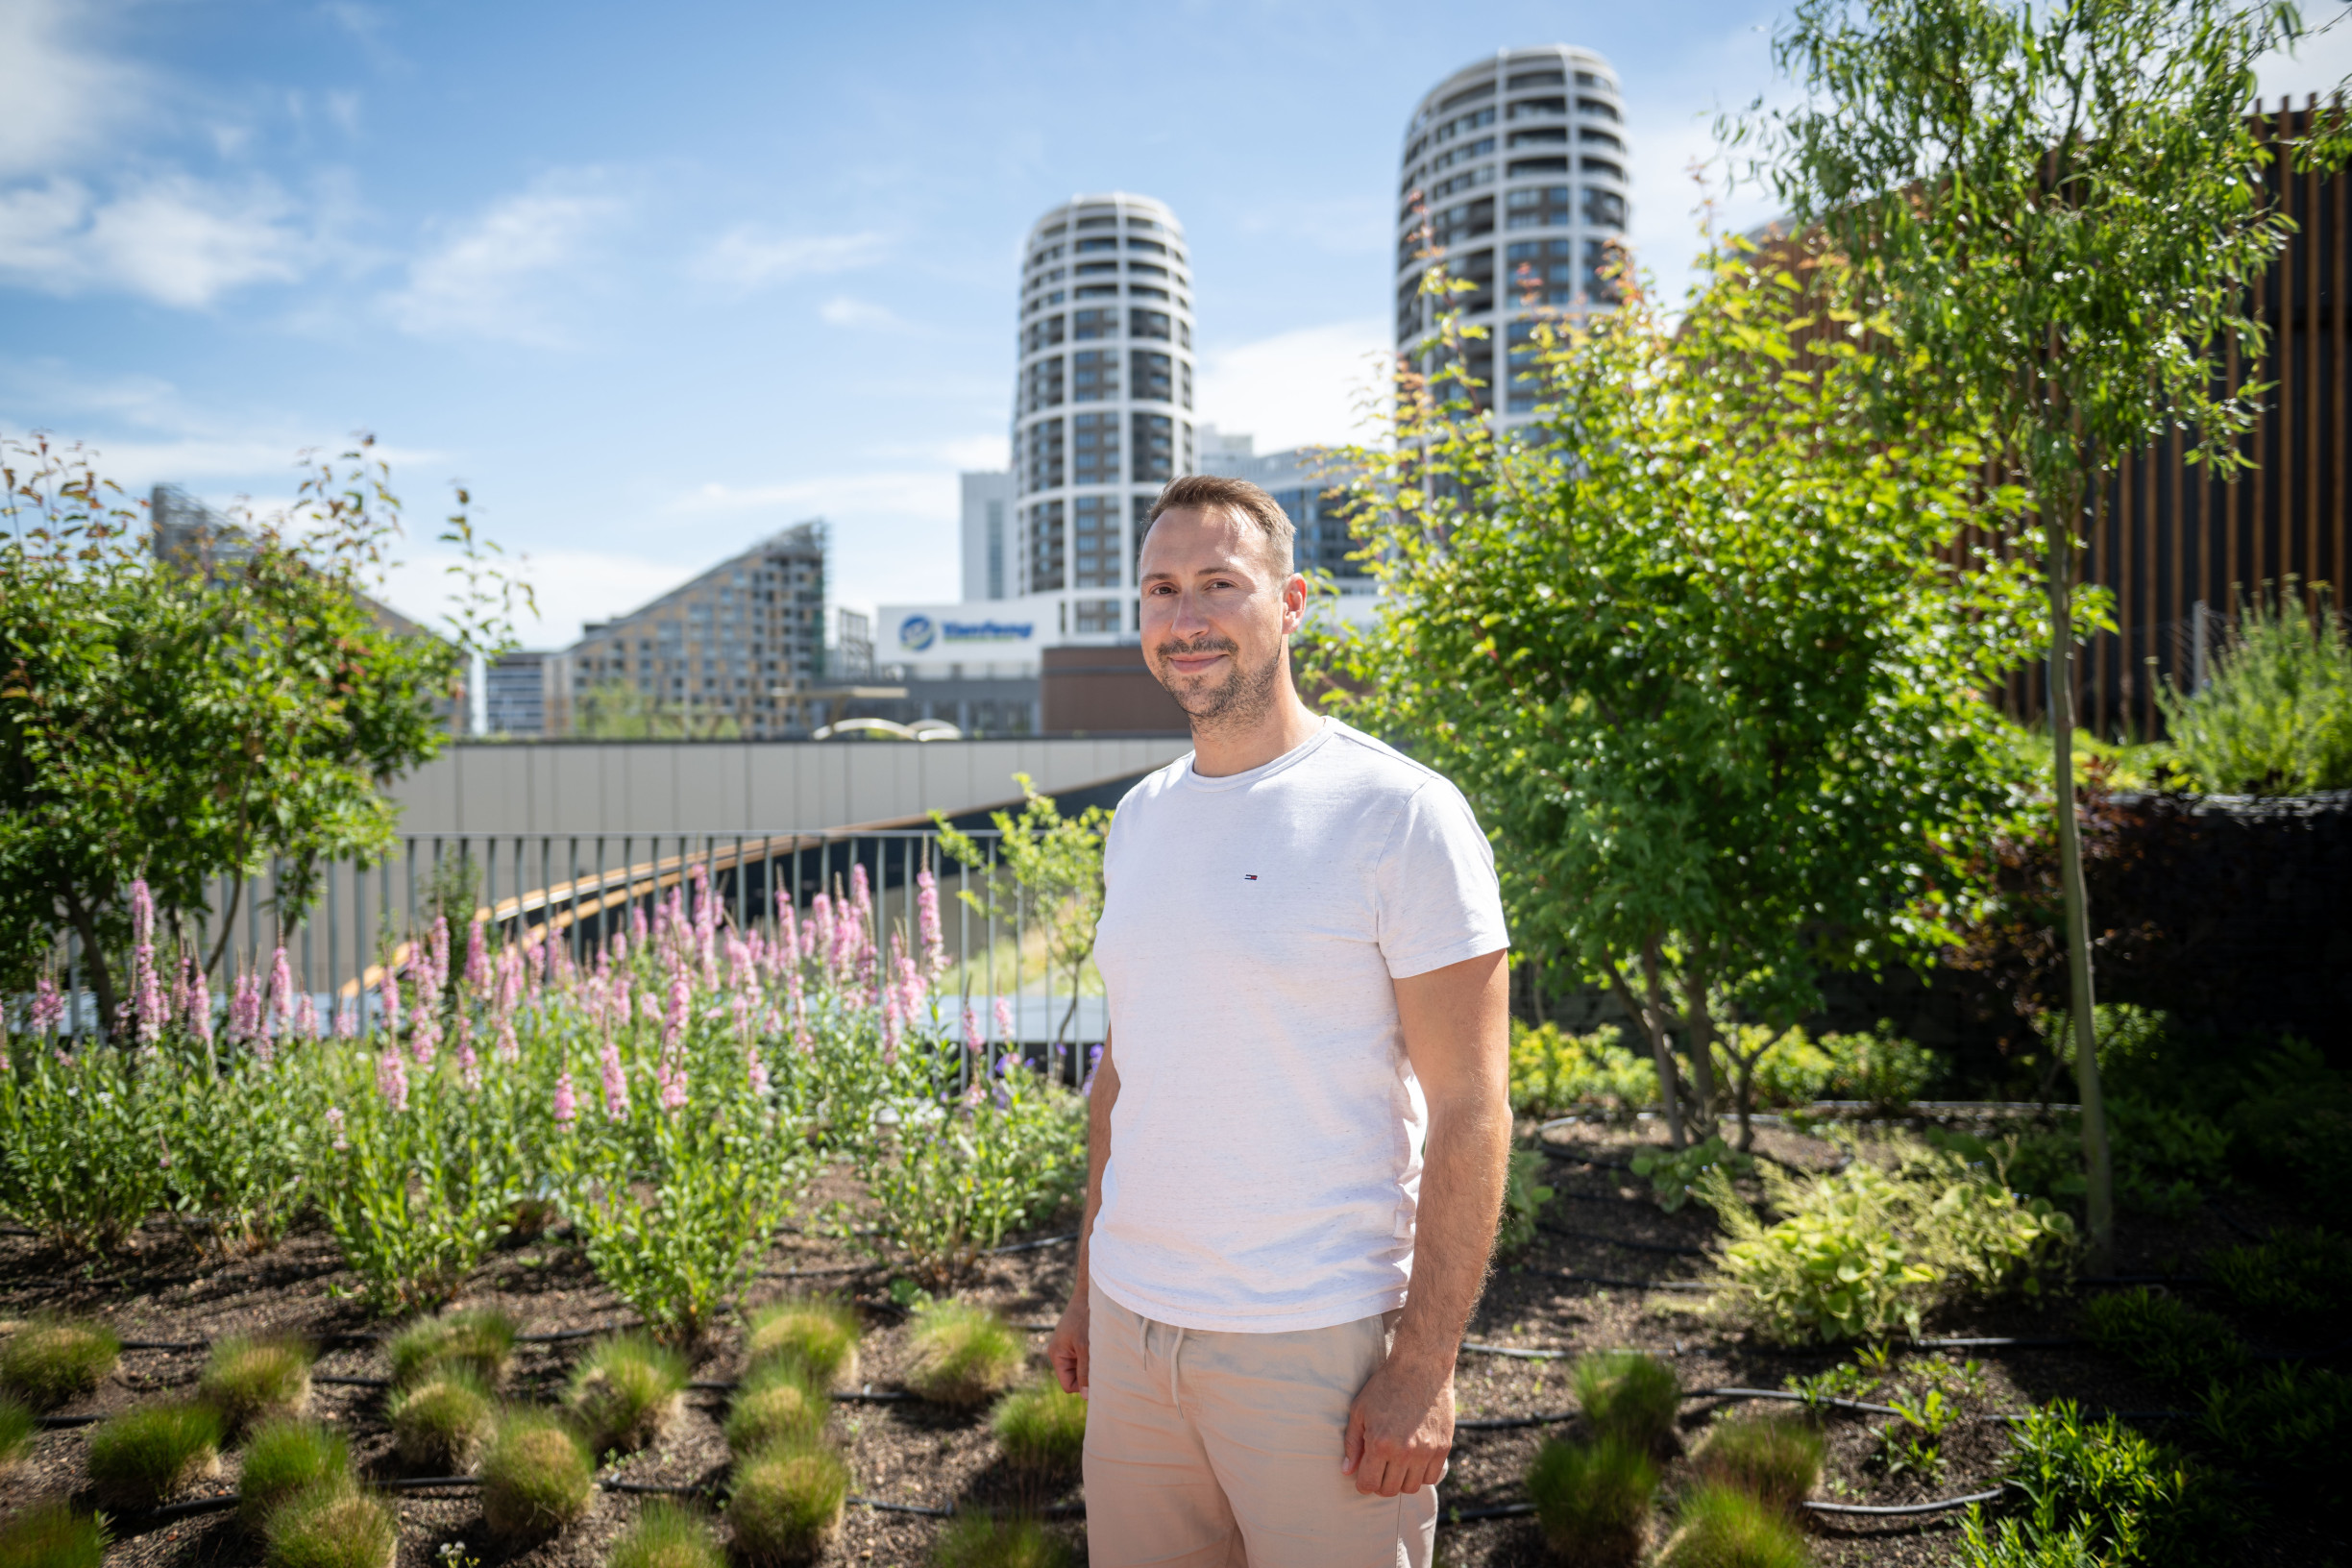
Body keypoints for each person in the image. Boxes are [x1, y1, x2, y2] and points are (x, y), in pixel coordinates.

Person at [1049, 474, 1512, 1565]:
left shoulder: (1400, 813)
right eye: (1161, 590)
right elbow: (1127, 1078)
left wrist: (1424, 1367)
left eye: (1220, 583)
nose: (1185, 618)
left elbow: (1471, 1107)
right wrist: (1084, 1292)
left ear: (1292, 602)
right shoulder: (1141, 819)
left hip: (1316, 1351)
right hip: (1133, 1331)